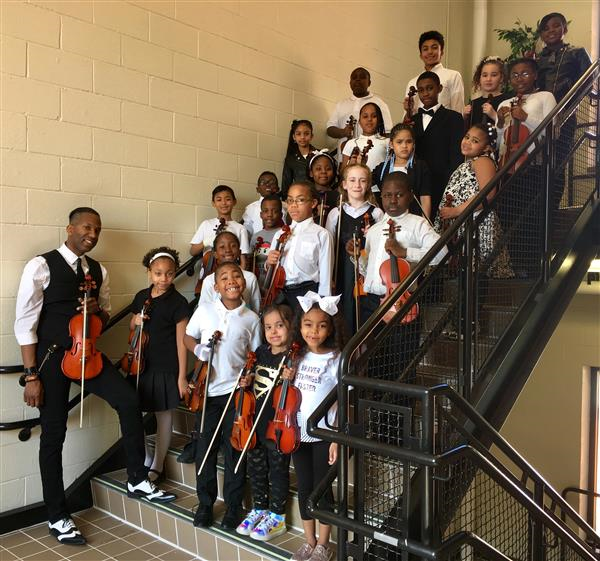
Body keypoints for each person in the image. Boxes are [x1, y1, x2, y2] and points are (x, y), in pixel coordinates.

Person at [14, 208, 176, 545]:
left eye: (98, 229)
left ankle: (136, 478)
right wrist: (31, 375)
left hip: (85, 352)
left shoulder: (98, 271)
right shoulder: (41, 265)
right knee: (53, 433)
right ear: (70, 228)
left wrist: (95, 311)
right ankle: (57, 516)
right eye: (88, 227)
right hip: (51, 357)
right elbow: (25, 321)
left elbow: (101, 316)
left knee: (128, 400)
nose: (93, 233)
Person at [185, 262, 262, 529]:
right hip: (207, 393)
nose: (232, 280)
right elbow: (187, 336)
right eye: (224, 277)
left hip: (236, 395)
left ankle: (233, 506)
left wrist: (249, 376)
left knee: (234, 452)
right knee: (205, 451)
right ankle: (205, 504)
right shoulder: (205, 311)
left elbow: (255, 357)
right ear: (215, 286)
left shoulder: (252, 319)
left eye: (237, 276)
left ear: (245, 283)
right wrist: (197, 350)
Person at [351, 174, 446, 386]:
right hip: (372, 303)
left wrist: (405, 252)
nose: (392, 200)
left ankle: (401, 412)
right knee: (374, 361)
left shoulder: (417, 224)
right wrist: (357, 256)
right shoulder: (375, 230)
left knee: (401, 362)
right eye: (387, 195)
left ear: (410, 196)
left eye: (398, 195)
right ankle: (378, 413)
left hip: (402, 303)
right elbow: (367, 271)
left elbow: (442, 252)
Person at [286, 292, 345, 561]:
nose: (314, 330)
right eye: (308, 324)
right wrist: (285, 377)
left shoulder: (337, 359)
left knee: (322, 490)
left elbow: (346, 400)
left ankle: (323, 544)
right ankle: (308, 541)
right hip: (296, 434)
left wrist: (337, 437)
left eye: (322, 325)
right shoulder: (296, 358)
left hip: (324, 435)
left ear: (331, 328)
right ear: (299, 327)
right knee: (305, 487)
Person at [126, 247, 190, 482]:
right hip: (140, 364)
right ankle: (146, 456)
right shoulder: (141, 296)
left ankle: (158, 463)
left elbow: (181, 342)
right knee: (133, 411)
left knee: (163, 416)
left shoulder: (179, 302)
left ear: (174, 274)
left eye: (169, 274)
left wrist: (182, 376)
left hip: (165, 366)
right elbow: (132, 331)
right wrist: (134, 320)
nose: (163, 279)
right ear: (149, 273)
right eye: (158, 273)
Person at [235, 304, 293, 541]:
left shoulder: (292, 357)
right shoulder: (260, 352)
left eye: (279, 326)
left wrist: (292, 375)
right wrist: (246, 380)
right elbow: (251, 379)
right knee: (257, 468)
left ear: (291, 327)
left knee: (277, 470)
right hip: (255, 422)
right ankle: (260, 508)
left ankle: (277, 517)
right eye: (268, 327)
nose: (274, 332)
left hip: (278, 424)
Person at [434, 123, 514, 278]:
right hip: (464, 223)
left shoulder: (482, 161)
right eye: (467, 137)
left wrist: (456, 211)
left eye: (475, 141)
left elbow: (488, 194)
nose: (467, 142)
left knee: (476, 274)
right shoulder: (469, 163)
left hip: (477, 223)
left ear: (486, 148)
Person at [325, 163, 383, 333]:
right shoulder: (335, 213)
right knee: (345, 308)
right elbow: (330, 248)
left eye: (362, 180)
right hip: (343, 271)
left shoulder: (376, 213)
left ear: (368, 184)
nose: (357, 185)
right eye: (352, 180)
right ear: (344, 184)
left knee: (364, 308)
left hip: (366, 271)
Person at [266, 182, 334, 313]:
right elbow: (271, 267)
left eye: (300, 200)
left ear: (313, 203)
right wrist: (269, 262)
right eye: (290, 200)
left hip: (308, 293)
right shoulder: (280, 233)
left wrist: (323, 302)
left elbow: (326, 275)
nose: (293, 205)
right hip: (281, 293)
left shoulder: (321, 234)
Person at [411, 71, 464, 217]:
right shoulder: (412, 120)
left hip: (441, 182)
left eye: (430, 88)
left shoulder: (454, 118)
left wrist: (450, 184)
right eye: (421, 90)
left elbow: (457, 156)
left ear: (439, 88)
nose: (425, 93)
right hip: (417, 184)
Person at [327, 67, 393, 163]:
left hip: (373, 158)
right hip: (346, 160)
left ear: (369, 82)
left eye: (362, 77)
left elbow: (388, 133)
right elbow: (330, 129)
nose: (357, 79)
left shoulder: (380, 104)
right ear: (350, 82)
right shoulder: (341, 104)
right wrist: (343, 132)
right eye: (354, 77)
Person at [372, 123, 433, 219]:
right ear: (391, 144)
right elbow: (367, 186)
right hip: (388, 218)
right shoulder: (382, 168)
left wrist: (425, 222)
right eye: (399, 142)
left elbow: (425, 197)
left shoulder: (420, 166)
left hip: (413, 217)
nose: (404, 146)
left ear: (413, 144)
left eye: (409, 141)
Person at [190, 185, 250, 271]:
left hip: (231, 274)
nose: (223, 203)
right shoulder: (206, 224)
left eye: (228, 199)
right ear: (213, 203)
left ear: (234, 202)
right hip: (207, 274)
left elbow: (243, 259)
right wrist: (206, 242)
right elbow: (192, 251)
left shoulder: (240, 228)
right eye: (219, 200)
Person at [199, 231, 261, 314]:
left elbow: (256, 307)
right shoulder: (209, 280)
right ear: (215, 254)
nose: (228, 250)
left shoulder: (250, 277)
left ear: (239, 252)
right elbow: (203, 309)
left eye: (233, 246)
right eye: (222, 247)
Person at [404, 30, 464, 114]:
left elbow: (458, 112)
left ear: (442, 51)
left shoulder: (453, 76)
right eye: (425, 49)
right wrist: (408, 111)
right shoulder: (412, 82)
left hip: (445, 126)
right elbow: (406, 122)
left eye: (434, 47)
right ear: (420, 55)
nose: (430, 52)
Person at [536, 12, 592, 103]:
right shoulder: (538, 58)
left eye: (556, 26)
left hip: (565, 110)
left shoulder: (577, 53)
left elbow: (588, 82)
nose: (551, 30)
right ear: (541, 35)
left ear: (565, 29)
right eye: (546, 29)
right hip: (541, 110)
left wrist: (569, 102)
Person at [463, 56, 510, 128]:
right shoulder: (474, 103)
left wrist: (494, 115)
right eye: (484, 75)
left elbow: (510, 128)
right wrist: (465, 117)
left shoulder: (507, 100)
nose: (488, 79)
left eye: (494, 75)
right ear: (479, 78)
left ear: (501, 78)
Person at [341, 102, 389, 172]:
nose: (369, 119)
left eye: (374, 116)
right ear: (359, 121)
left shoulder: (387, 141)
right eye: (365, 116)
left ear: (379, 120)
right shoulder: (350, 143)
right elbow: (343, 172)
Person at [250, 194, 285, 289]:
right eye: (266, 211)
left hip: (276, 283)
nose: (270, 214)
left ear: (281, 215)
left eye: (275, 211)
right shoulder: (256, 236)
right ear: (261, 215)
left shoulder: (284, 234)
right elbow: (251, 262)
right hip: (257, 283)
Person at [282, 120, 318, 199]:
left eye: (306, 134)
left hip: (316, 197)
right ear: (294, 137)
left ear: (311, 136)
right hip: (298, 198)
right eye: (298, 134)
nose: (302, 137)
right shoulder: (290, 159)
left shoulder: (319, 155)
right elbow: (286, 185)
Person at [242, 171, 282, 238]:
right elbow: (247, 231)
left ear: (278, 189)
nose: (268, 185)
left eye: (272, 182)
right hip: (258, 243)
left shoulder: (286, 207)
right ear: (258, 189)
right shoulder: (251, 208)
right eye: (263, 182)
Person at [308, 151, 339, 227]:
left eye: (328, 169)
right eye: (318, 169)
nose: (323, 172)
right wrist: (315, 214)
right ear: (311, 173)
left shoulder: (338, 196)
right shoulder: (306, 195)